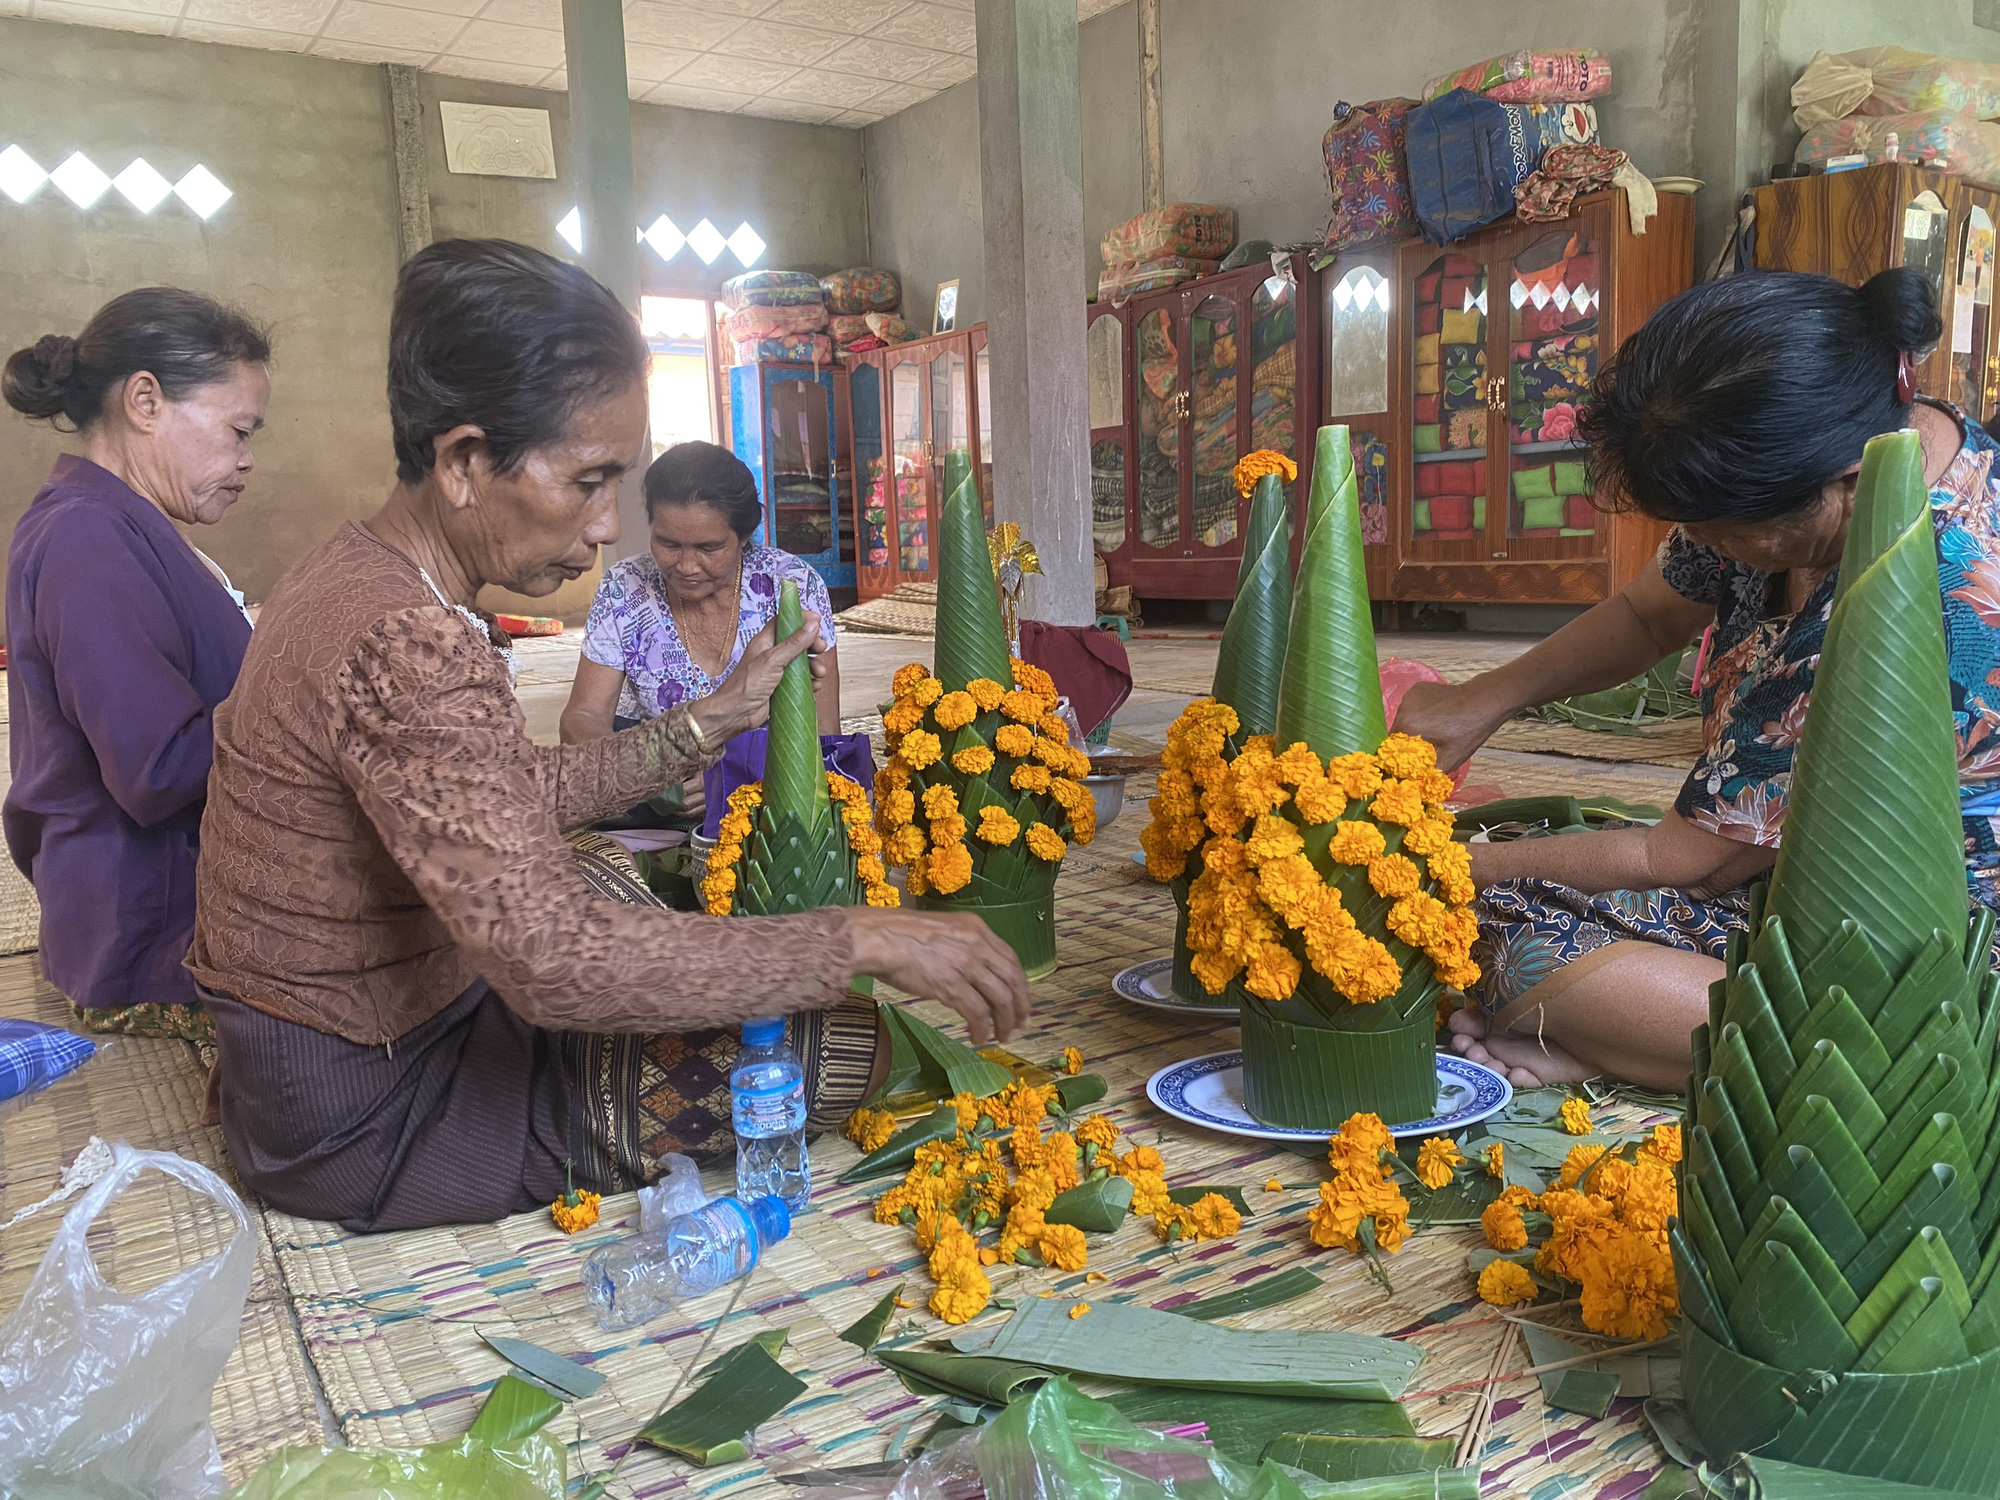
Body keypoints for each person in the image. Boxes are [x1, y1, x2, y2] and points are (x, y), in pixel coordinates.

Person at [188, 239, 1028, 1232]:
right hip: (369, 1110)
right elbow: (547, 959)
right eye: (588, 481)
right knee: (843, 1049)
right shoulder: (404, 639)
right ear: (462, 462)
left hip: (316, 1056)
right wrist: (857, 936)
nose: (602, 528)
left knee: (624, 886)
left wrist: (712, 718)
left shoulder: (351, 571)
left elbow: (495, 799)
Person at [1394, 267, 1991, 1092]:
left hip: (1938, 946)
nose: (1699, 542)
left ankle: (1848, 1070)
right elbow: (1648, 616)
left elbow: (1684, 862)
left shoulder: (1926, 590)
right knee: (1505, 931)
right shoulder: (1810, 458)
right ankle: (1637, 1041)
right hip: (1777, 876)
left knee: (1486, 929)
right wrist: (1480, 700)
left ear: (1845, 486)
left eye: (1717, 531)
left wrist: (1439, 864)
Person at [2, 289, 270, 1040]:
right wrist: (315, 704)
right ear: (145, 400)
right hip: (151, 936)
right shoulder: (87, 538)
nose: (247, 459)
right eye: (238, 430)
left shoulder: (124, 524)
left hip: (167, 907)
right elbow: (158, 769)